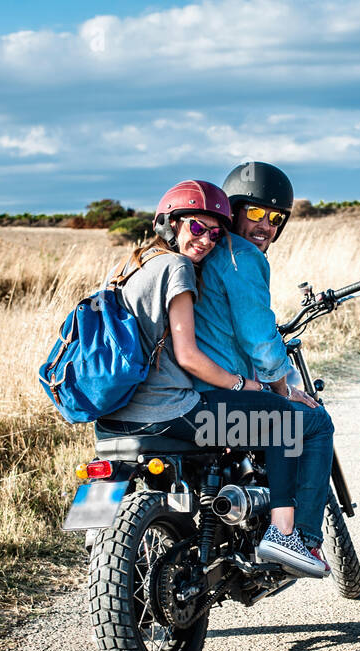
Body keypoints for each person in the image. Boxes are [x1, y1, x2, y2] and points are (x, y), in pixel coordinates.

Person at [94, 179, 326, 577]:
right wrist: (246, 385)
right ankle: (286, 534)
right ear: (170, 224)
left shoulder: (129, 267)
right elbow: (190, 357)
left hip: (113, 417)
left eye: (215, 232)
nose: (206, 240)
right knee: (283, 419)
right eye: (197, 228)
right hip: (170, 411)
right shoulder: (177, 267)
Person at [189, 160, 337, 574]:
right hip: (221, 400)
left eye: (275, 218)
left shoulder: (200, 253)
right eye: (254, 212)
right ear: (232, 210)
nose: (265, 225)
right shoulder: (243, 257)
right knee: (313, 421)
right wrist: (281, 385)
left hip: (186, 397)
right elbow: (258, 337)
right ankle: (298, 537)